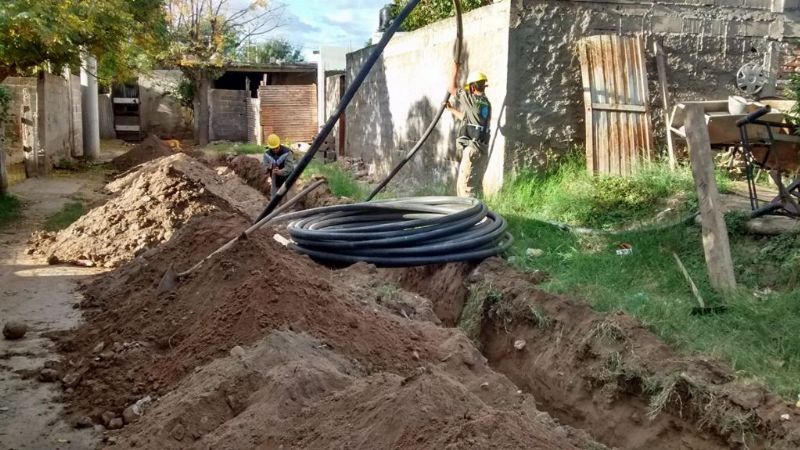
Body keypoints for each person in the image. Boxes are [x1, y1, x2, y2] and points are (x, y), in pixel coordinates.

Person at [444, 62, 492, 198]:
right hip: (482, 151)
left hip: (472, 149)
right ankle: (482, 215)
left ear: (471, 87)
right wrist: (451, 109)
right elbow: (468, 119)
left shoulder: (471, 99)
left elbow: (451, 88)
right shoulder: (486, 103)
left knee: (465, 189)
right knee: (475, 186)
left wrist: (455, 67)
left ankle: (468, 218)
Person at [262, 133, 295, 198]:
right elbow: (264, 167)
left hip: (288, 179)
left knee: (290, 198)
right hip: (275, 181)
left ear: (279, 144)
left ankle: (292, 208)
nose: (275, 150)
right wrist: (269, 167)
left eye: (276, 148)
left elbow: (289, 167)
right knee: (276, 198)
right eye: (273, 148)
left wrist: (280, 172)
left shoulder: (287, 153)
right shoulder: (267, 155)